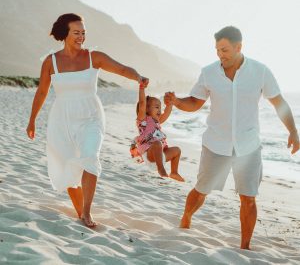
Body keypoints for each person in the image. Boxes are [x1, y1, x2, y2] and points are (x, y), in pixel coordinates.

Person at [165, 26, 299, 249]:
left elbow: (279, 103)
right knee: (201, 190)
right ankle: (186, 217)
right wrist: (177, 102)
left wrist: (293, 131)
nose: (220, 55)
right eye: (217, 50)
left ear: (239, 47)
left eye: (225, 49)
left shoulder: (260, 71)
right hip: (216, 143)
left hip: (248, 146)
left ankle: (245, 246)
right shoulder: (208, 72)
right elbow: (195, 102)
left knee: (248, 197)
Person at [26, 13, 148, 228]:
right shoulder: (51, 61)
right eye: (76, 32)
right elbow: (42, 91)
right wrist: (32, 120)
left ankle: (87, 211)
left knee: (90, 156)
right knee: (68, 165)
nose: (81, 36)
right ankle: (79, 211)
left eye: (83, 32)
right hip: (62, 118)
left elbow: (120, 68)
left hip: (91, 115)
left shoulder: (94, 57)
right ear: (65, 34)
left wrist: (137, 77)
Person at [134, 81, 184, 181]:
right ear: (146, 110)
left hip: (161, 156)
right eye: (157, 107)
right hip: (150, 155)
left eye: (160, 108)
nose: (159, 110)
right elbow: (143, 103)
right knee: (157, 144)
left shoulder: (157, 121)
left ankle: (174, 172)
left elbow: (166, 114)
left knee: (177, 150)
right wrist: (142, 88)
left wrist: (170, 104)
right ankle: (161, 170)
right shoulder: (143, 119)